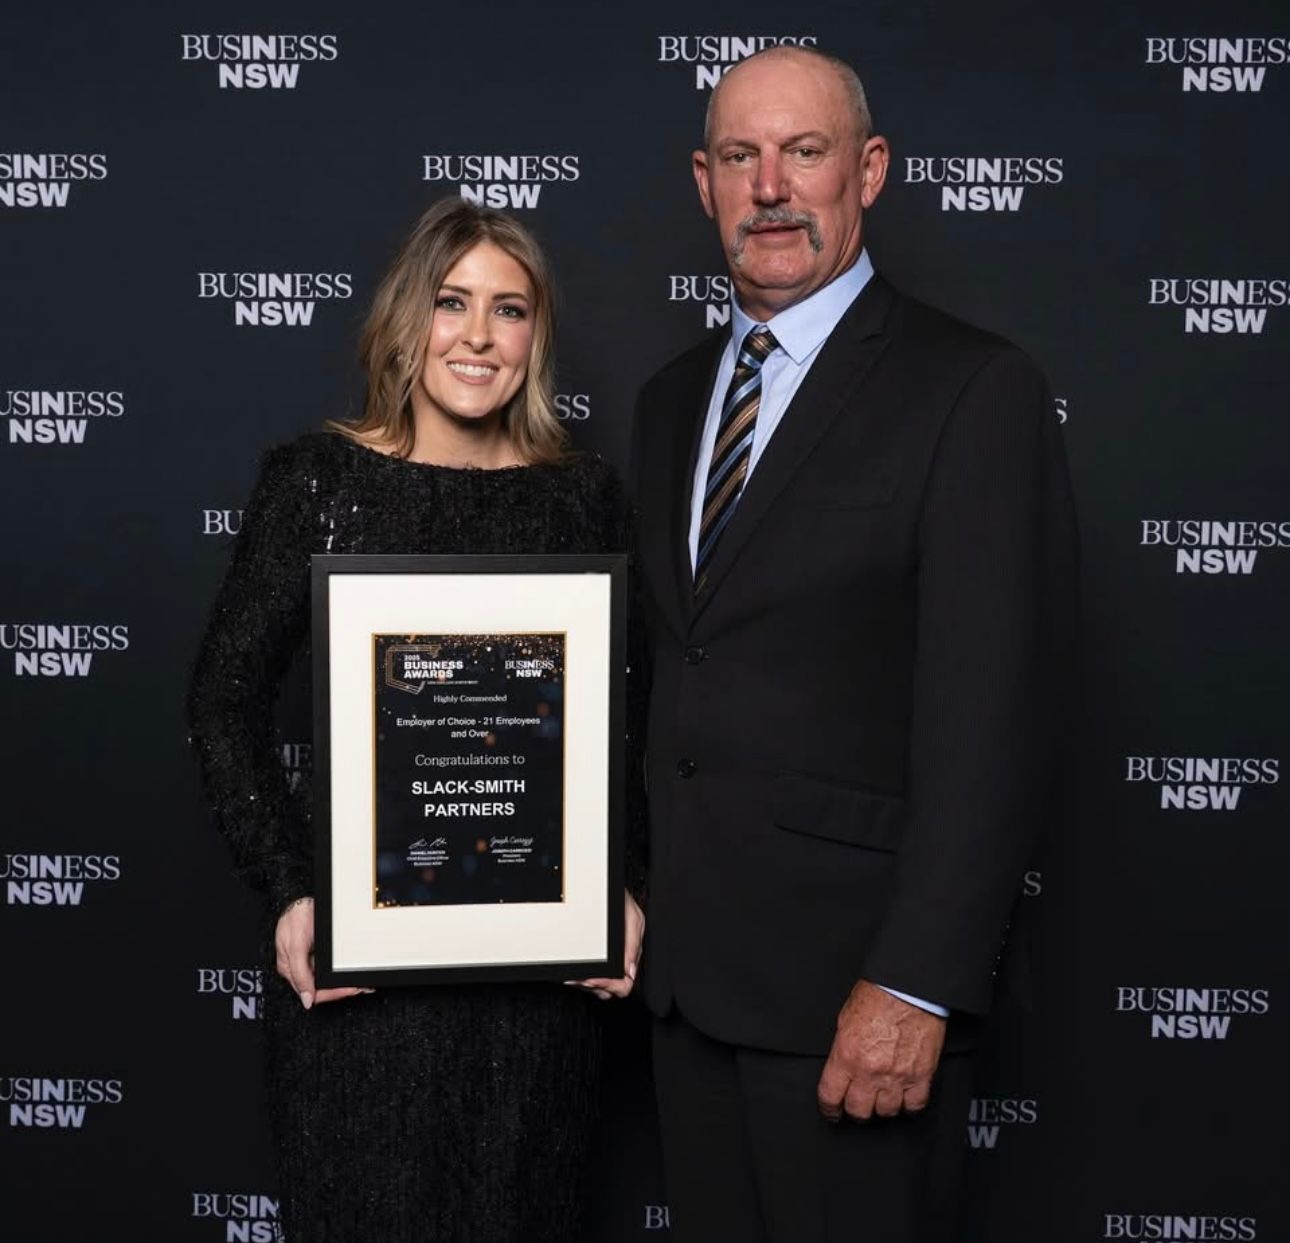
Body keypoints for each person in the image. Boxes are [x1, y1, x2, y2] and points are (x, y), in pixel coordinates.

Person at [628, 46, 1077, 1243]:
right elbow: (678, 673)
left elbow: (997, 714)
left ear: (868, 171)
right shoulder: (670, 402)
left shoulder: (972, 389)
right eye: (739, 156)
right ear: (704, 182)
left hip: (853, 1001)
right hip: (685, 993)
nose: (770, 186)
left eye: (804, 152)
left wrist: (917, 980)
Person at [187, 198, 643, 1243]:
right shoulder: (319, 480)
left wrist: (627, 885)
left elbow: (632, 722)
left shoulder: (584, 500)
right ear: (407, 318)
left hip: (538, 991)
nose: (479, 335)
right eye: (453, 302)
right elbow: (221, 699)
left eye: (509, 309)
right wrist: (295, 887)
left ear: (536, 337)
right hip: (365, 996)